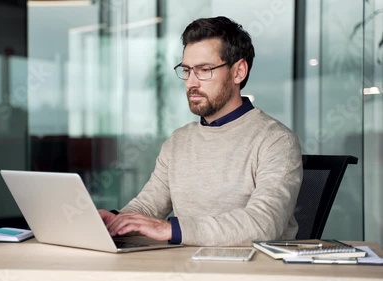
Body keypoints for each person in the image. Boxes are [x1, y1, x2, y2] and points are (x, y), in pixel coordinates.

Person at [98, 16, 302, 246]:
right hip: (185, 268)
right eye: (186, 70)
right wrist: (114, 222)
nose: (191, 82)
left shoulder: (276, 141)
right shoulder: (179, 141)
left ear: (239, 72)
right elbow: (148, 207)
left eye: (204, 70)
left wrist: (170, 229)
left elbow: (263, 224)